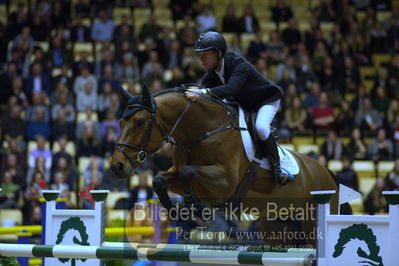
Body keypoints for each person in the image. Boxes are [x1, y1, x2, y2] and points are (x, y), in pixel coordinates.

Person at [185, 31, 290, 187]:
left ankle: (278, 170)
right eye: (200, 56)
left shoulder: (238, 64)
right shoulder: (212, 72)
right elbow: (204, 91)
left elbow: (231, 89)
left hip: (265, 101)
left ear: (219, 53)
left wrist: (203, 92)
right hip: (245, 103)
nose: (202, 59)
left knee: (260, 127)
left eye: (205, 55)